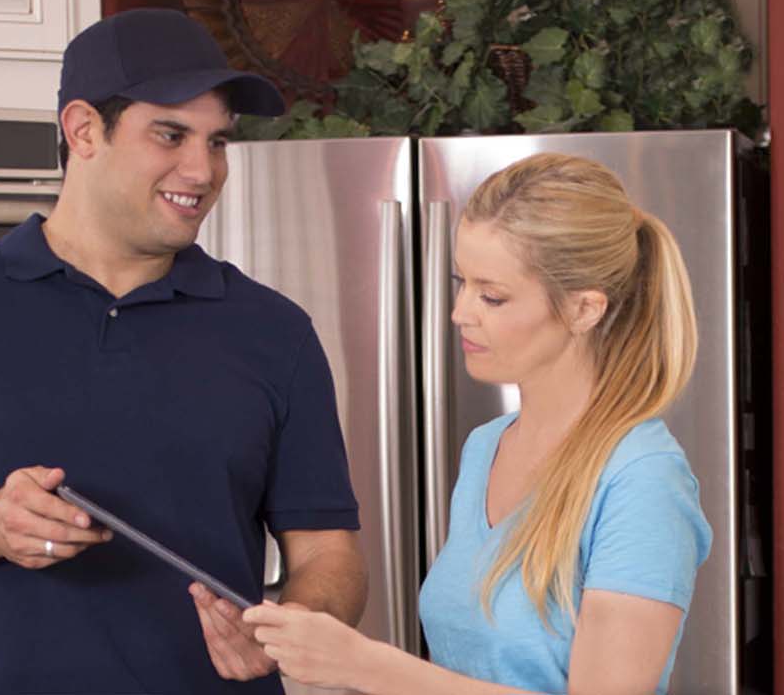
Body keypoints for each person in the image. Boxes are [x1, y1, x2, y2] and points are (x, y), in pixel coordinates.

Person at [0, 9, 368, 694]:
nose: (204, 169)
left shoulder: (275, 331)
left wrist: (294, 623)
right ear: (82, 130)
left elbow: (329, 553)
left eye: (218, 142)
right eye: (171, 134)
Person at [242, 153, 711, 694]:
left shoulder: (642, 478)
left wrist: (367, 667)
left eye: (492, 296)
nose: (461, 311)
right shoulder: (487, 447)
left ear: (585, 309)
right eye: (461, 282)